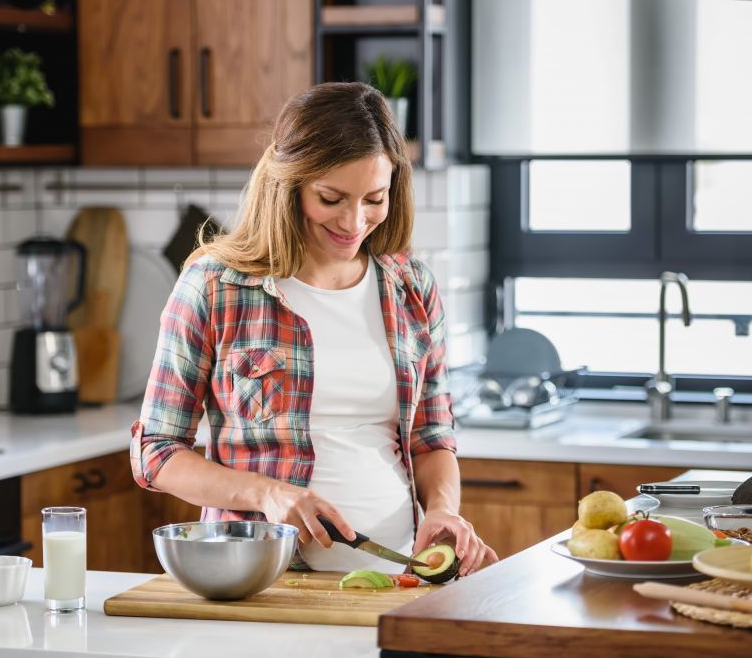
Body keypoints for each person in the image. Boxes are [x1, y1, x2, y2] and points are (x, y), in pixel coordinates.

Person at [130, 82, 497, 576]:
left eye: (374, 198)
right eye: (332, 198)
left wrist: (443, 510)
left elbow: (431, 440)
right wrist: (268, 494)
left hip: (398, 576)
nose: (354, 221)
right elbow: (155, 453)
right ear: (290, 185)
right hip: (261, 578)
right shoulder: (216, 287)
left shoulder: (411, 287)